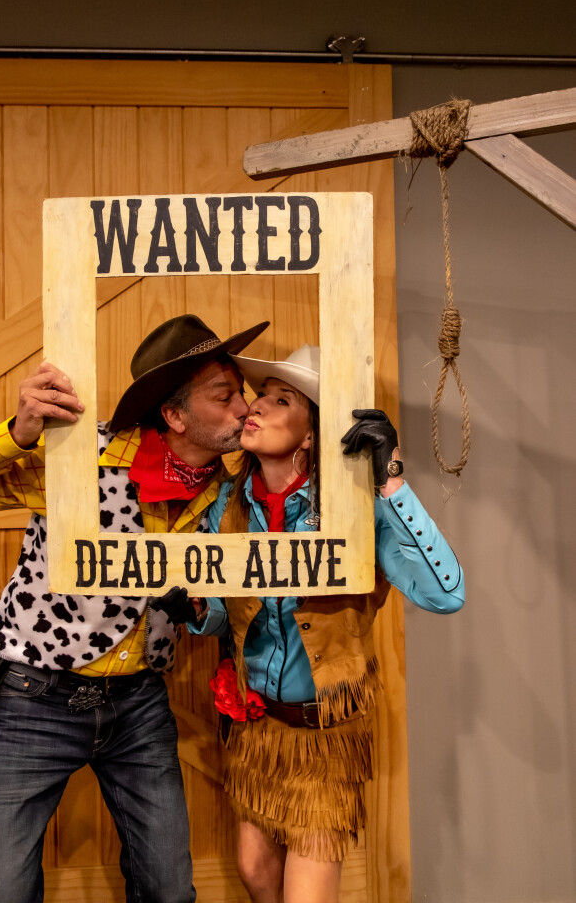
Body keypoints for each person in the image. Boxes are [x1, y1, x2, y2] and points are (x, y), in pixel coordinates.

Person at [0, 313, 268, 903]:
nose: (245, 407)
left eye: (244, 391)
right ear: (175, 416)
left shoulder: (229, 489)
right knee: (0, 893)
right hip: (34, 698)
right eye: (225, 395)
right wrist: (18, 432)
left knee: (168, 890)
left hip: (139, 702)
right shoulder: (78, 455)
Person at [187, 345, 464, 903]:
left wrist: (390, 480)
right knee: (255, 872)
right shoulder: (229, 506)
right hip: (259, 732)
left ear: (312, 433)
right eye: (260, 396)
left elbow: (445, 594)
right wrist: (192, 607)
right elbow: (222, 613)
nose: (255, 407)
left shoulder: (354, 510)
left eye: (281, 400)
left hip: (324, 735)